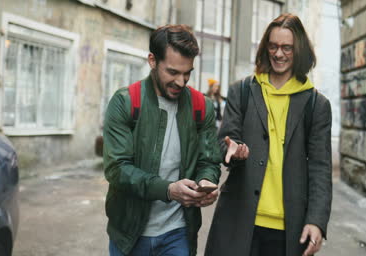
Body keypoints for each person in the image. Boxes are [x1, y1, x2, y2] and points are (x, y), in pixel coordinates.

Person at [205, 13, 332, 256]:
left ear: (299, 50)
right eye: (273, 46)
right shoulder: (241, 91)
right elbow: (224, 142)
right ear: (266, 47)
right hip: (239, 219)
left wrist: (316, 221)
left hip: (288, 228)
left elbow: (320, 168)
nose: (278, 54)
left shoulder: (316, 105)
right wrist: (232, 150)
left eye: (287, 47)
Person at [103, 25, 222, 256]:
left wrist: (206, 182)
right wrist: (168, 190)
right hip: (129, 234)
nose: (181, 81)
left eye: (187, 72)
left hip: (178, 234)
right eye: (173, 72)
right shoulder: (125, 102)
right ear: (152, 61)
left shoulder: (201, 106)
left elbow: (209, 161)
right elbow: (117, 169)